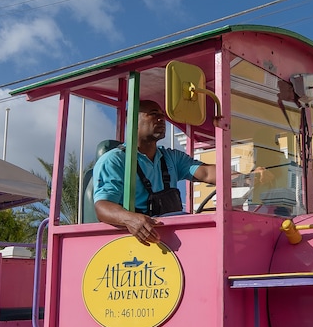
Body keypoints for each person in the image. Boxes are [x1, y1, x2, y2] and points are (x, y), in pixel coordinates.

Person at [93, 99, 235, 244]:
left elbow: (206, 173)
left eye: (163, 115)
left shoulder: (171, 157)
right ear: (132, 120)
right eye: (154, 114)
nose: (161, 119)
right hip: (139, 242)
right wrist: (131, 219)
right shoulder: (114, 160)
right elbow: (103, 206)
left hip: (175, 239)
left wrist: (247, 176)